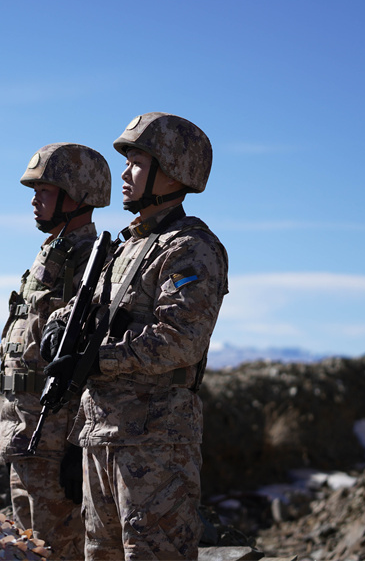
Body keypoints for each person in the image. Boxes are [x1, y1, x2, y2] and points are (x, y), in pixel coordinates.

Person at [43, 113, 229, 560]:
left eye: (136, 164)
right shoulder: (127, 246)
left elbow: (181, 338)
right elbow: (90, 308)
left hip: (156, 443)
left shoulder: (190, 247)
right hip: (101, 433)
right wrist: (57, 326)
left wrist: (96, 359)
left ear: (173, 173)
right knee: (100, 552)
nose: (124, 174)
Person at [0, 142, 112, 560]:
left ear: (78, 195)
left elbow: (87, 360)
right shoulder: (53, 254)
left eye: (44, 191)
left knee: (57, 547)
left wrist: (77, 445)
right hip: (25, 429)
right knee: (28, 545)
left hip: (55, 435)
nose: (34, 200)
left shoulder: (91, 261)